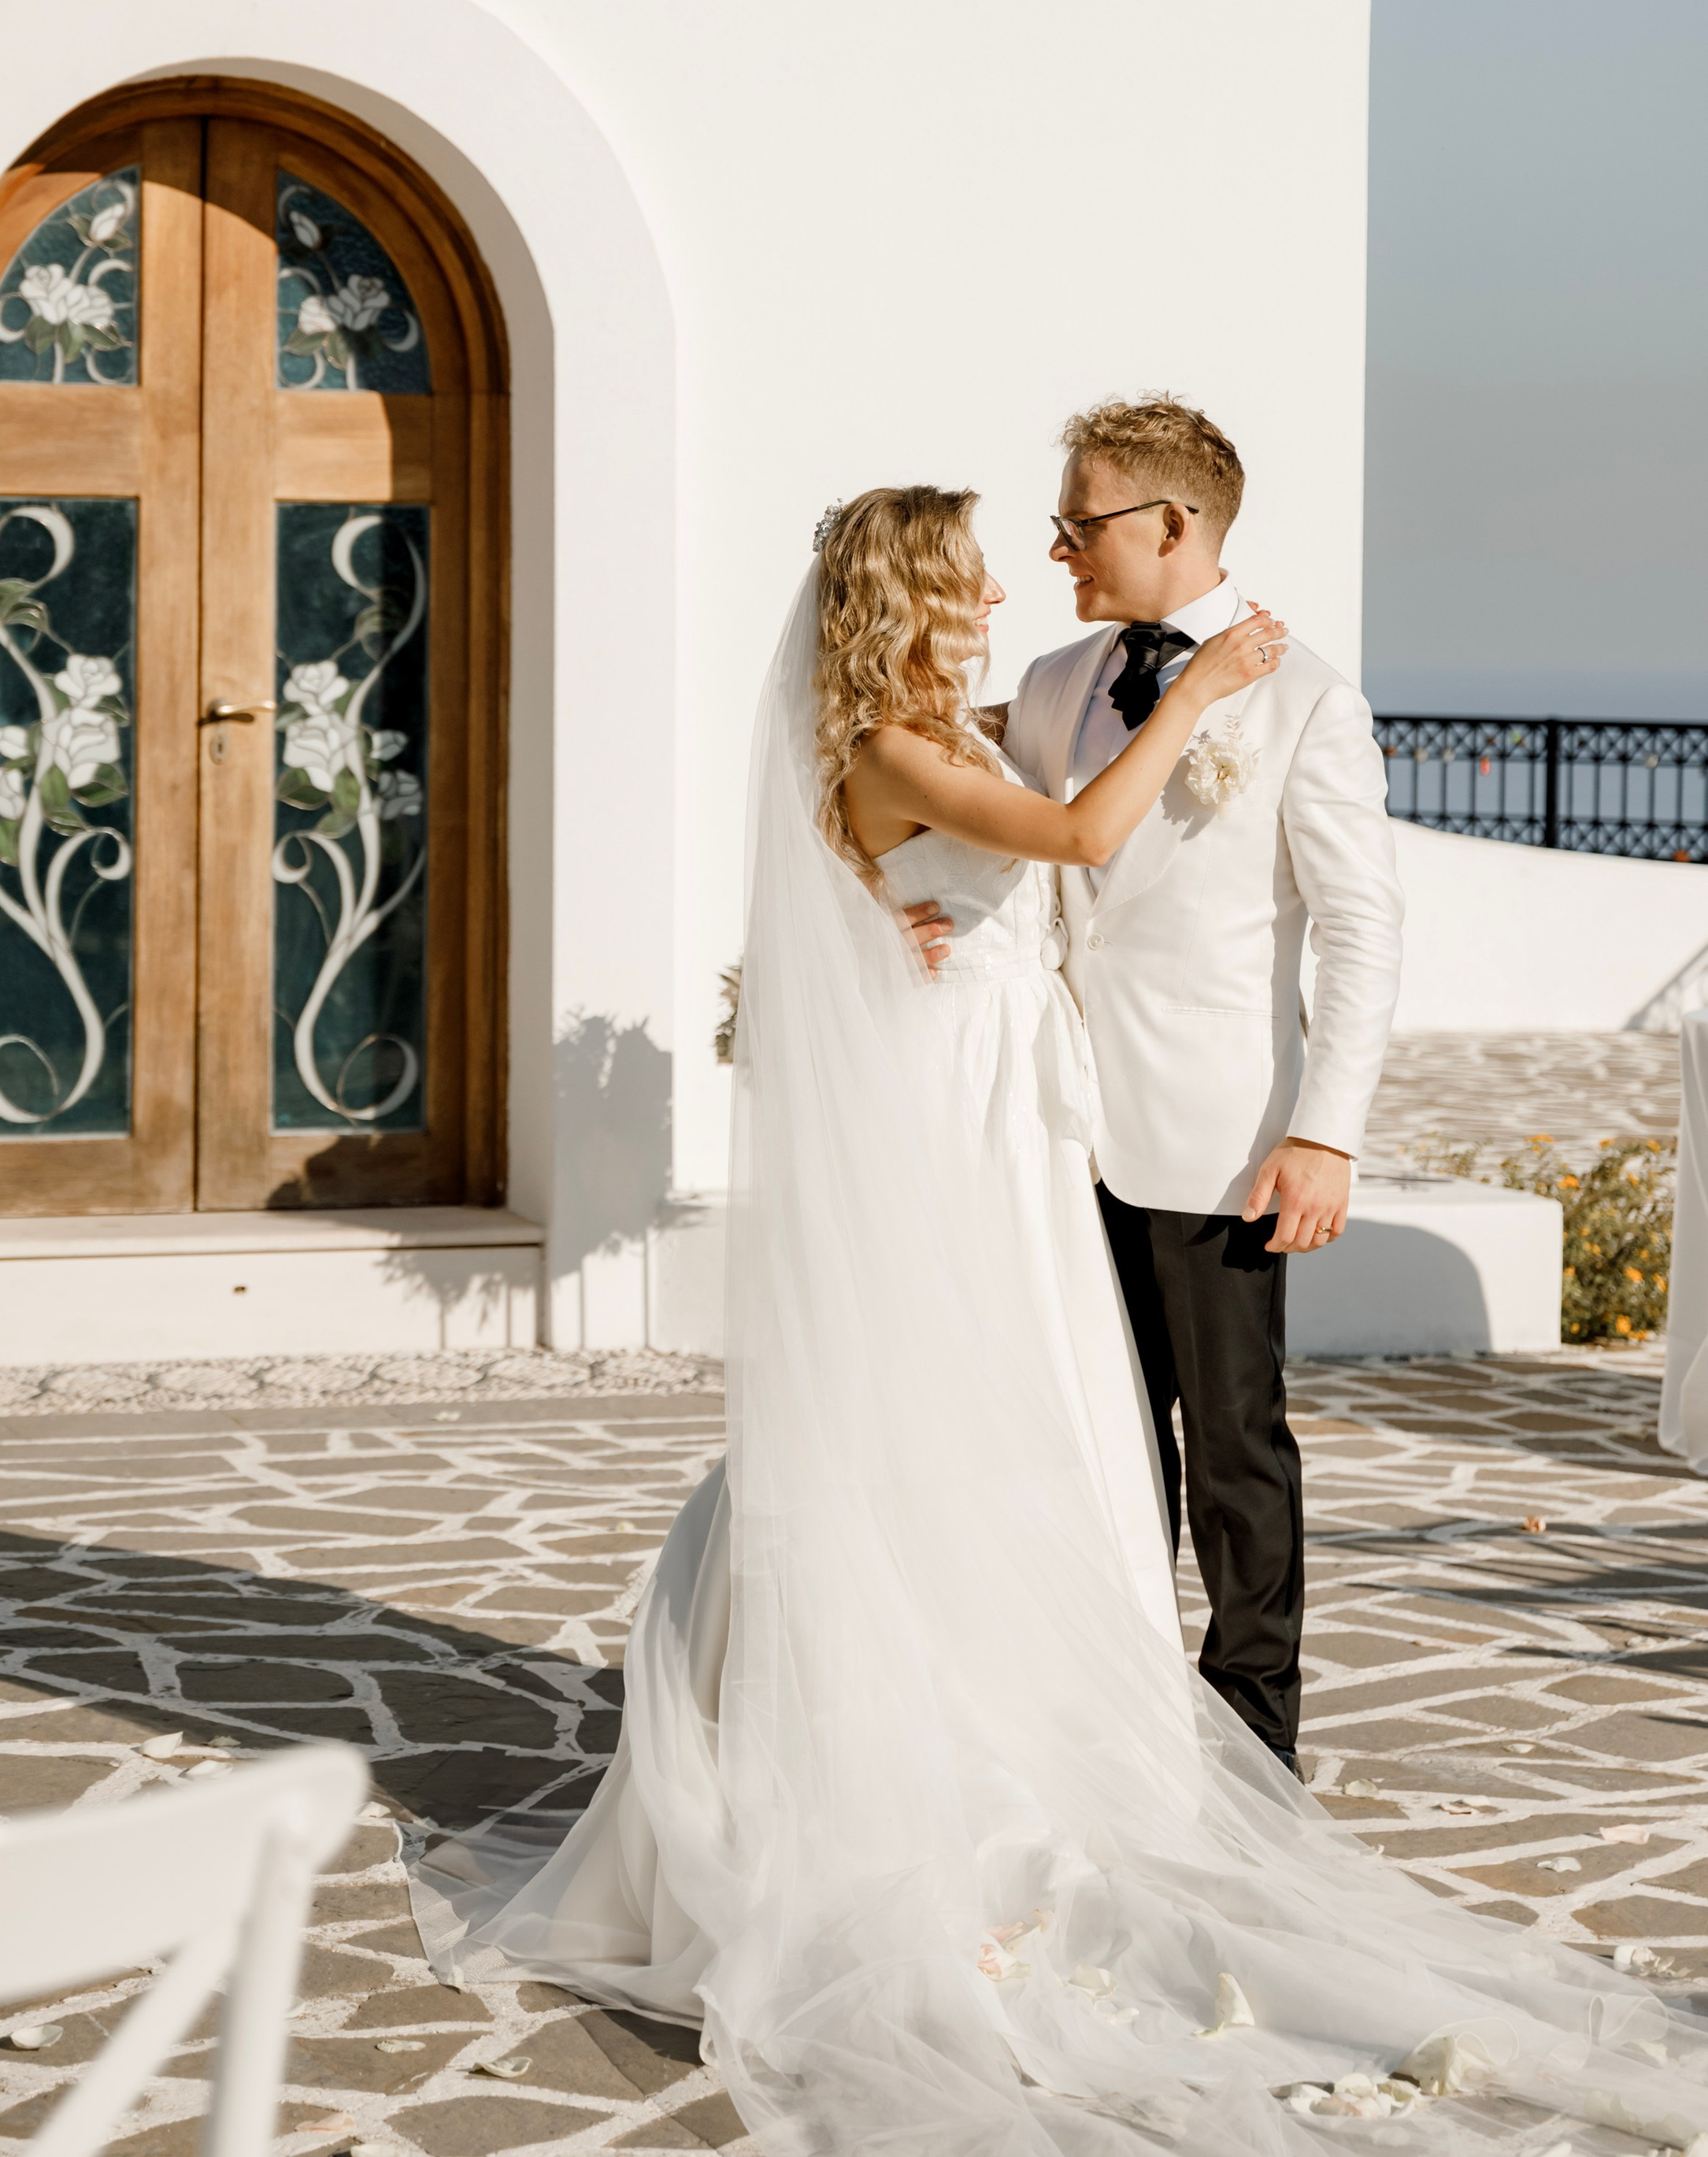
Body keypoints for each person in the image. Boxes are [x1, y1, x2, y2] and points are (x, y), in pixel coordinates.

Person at [412, 487, 1707, 2157]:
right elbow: (1082, 842)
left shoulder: (957, 726)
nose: (993, 595)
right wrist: (1194, 695)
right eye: (959, 579)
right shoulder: (892, 742)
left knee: (1046, 1411)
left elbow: (1024, 885)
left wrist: (903, 920)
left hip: (1028, 1109)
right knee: (951, 1413)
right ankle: (922, 1752)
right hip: (962, 1117)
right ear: (900, 599)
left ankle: (1085, 1726)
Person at [912, 395, 1402, 1773]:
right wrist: (913, 912)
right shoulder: (1052, 681)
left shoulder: (1306, 698)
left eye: (1081, 521)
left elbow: (1363, 929)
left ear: (1173, 523)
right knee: (1094, 1441)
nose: (1058, 547)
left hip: (1222, 1138)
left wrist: (1326, 1134)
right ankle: (1105, 1716)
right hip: (1054, 1124)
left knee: (1235, 1452)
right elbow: (994, 838)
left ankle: (1253, 1746)